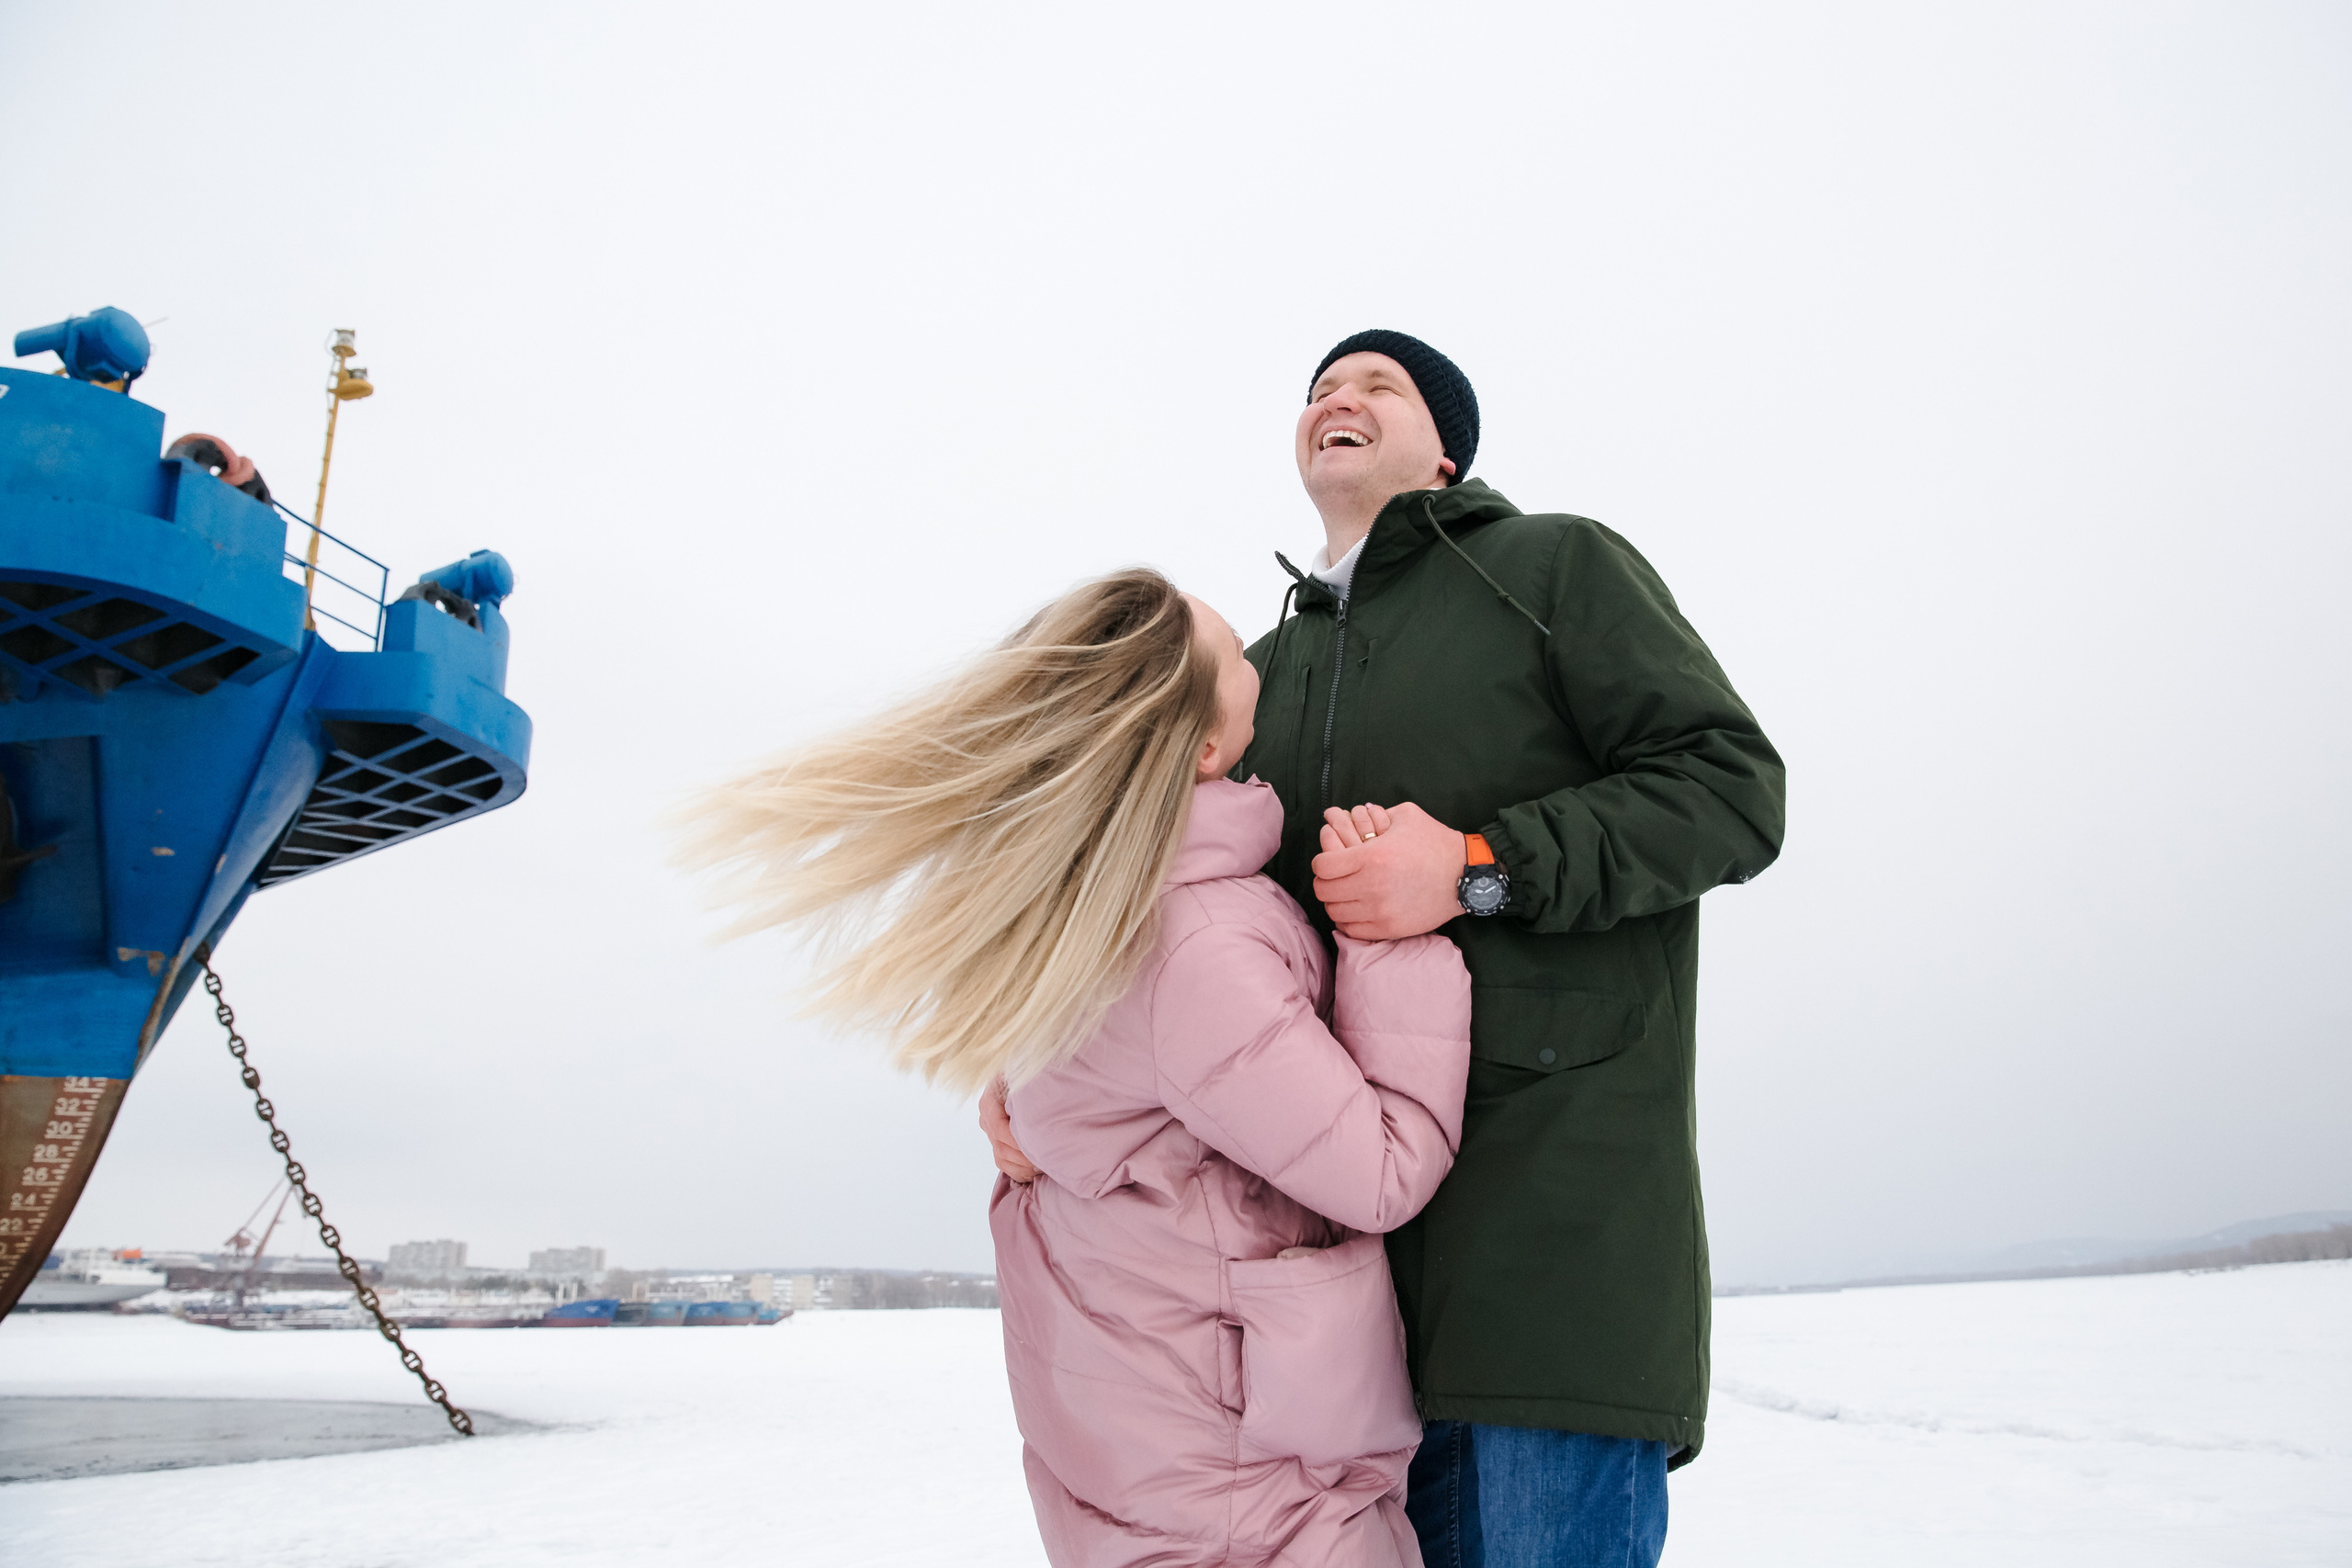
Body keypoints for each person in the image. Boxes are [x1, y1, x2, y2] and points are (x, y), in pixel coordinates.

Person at [988, 332, 1786, 1567]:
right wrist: (1035, 1081)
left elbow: (1733, 790)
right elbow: (1154, 921)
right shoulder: (1251, 674)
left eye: (1379, 385)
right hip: (1317, 1347)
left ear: (1445, 447)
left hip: (1546, 1266)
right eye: (1317, 389)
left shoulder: (1555, 565)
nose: (1337, 400)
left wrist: (1476, 861)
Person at [684, 570, 1474, 1566]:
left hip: (1170, 1447)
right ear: (1203, 747)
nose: (1258, 665)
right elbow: (1378, 1173)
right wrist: (1388, 938)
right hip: (1247, 1481)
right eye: (1237, 654)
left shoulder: (1095, 916)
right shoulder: (1194, 948)